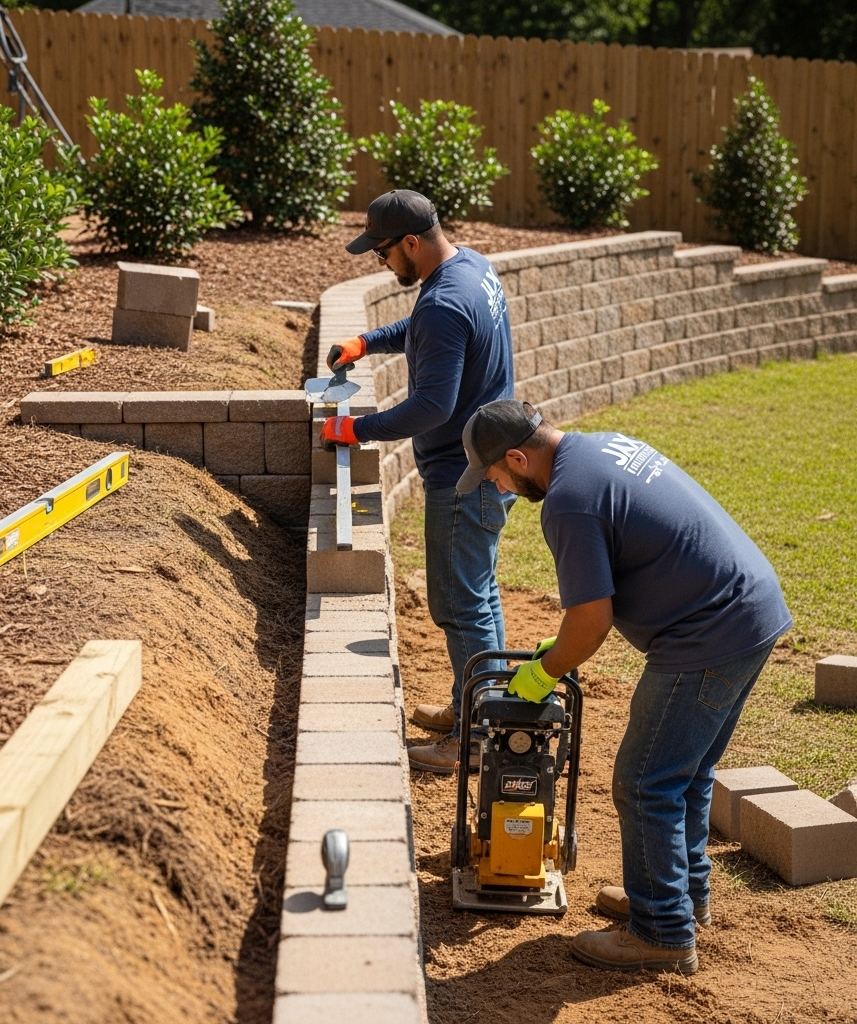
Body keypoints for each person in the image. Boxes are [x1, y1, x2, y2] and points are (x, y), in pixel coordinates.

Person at [456, 398, 792, 975]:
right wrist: (557, 651)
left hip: (707, 632)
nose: (496, 486)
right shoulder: (600, 447)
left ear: (517, 458)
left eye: (494, 475)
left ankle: (661, 932)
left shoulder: (567, 501)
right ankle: (679, 899)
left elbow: (592, 620)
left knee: (644, 783)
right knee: (686, 774)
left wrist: (543, 672)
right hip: (750, 609)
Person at [322, 189, 515, 773]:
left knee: (460, 607)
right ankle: (478, 707)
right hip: (490, 463)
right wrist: (368, 342)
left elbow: (432, 406)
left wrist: (356, 429)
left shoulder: (443, 302)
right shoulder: (471, 267)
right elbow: (428, 328)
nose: (381, 263)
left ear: (410, 243)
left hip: (462, 479)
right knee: (479, 595)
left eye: (382, 253)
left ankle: (476, 740)